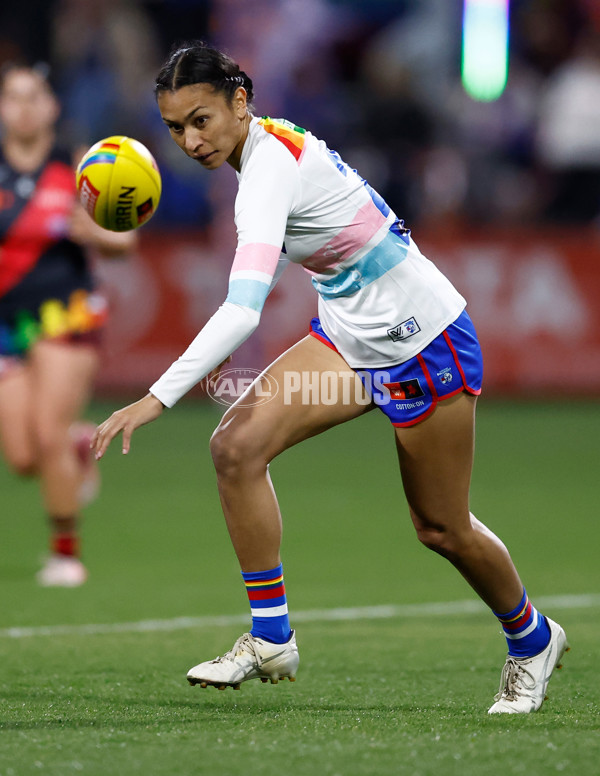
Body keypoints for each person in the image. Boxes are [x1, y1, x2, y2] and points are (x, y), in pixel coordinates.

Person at [92, 41, 569, 713]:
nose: (190, 140)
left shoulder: (265, 172)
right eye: (175, 127)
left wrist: (155, 396)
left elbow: (242, 306)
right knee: (235, 447)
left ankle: (532, 639)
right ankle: (271, 638)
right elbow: (322, 236)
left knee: (441, 527)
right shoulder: (266, 151)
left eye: (201, 119)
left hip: (422, 342)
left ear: (238, 101)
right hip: (348, 335)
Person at [0, 63, 135, 586]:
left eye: (34, 97)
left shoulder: (79, 166)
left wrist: (97, 234)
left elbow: (124, 243)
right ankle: (82, 444)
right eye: (14, 98)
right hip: (7, 321)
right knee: (22, 455)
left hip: (67, 312)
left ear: (53, 107)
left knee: (47, 432)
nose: (25, 107)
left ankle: (65, 553)